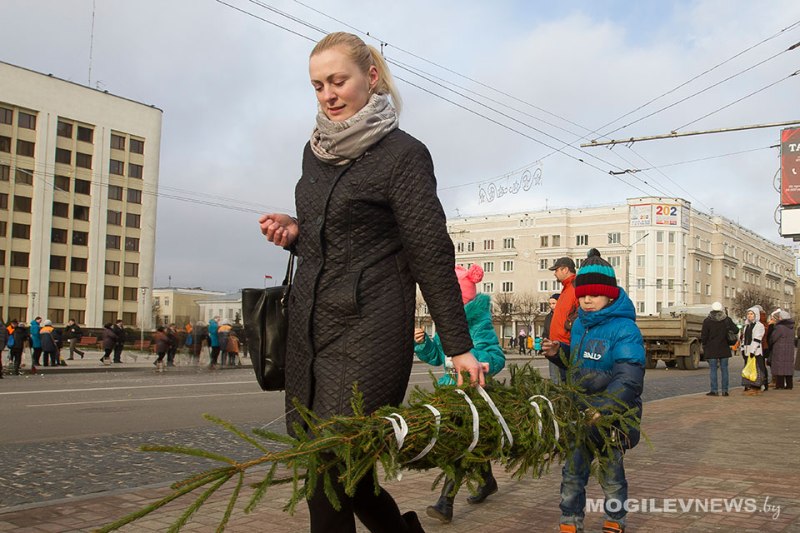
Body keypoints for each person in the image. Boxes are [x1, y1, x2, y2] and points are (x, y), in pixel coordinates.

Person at [258, 31, 483, 533]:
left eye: (338, 81)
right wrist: (295, 233)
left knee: (329, 467)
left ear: (371, 78)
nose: (328, 95)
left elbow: (430, 251)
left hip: (369, 332)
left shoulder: (403, 155)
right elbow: (329, 236)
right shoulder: (313, 152)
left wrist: (458, 346)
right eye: (317, 86)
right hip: (310, 331)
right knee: (343, 472)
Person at [543, 249, 644, 533]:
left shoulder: (625, 329)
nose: (587, 300)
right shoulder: (579, 325)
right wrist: (557, 352)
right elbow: (575, 365)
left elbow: (629, 378)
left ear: (610, 295)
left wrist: (604, 409)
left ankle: (615, 520)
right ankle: (569, 522)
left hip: (610, 418)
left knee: (612, 476)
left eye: (594, 295)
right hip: (580, 415)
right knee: (573, 473)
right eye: (583, 295)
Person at [413, 265, 505, 524]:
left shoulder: (478, 325)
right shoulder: (446, 325)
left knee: (459, 446)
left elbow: (496, 356)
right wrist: (422, 343)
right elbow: (436, 358)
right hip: (448, 393)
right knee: (467, 443)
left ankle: (445, 502)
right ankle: (487, 481)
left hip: (472, 394)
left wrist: (480, 361)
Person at [543, 257, 578, 375]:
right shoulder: (566, 288)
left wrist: (569, 324)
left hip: (567, 347)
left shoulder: (574, 287)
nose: (554, 273)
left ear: (565, 270)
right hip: (558, 347)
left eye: (556, 270)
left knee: (567, 383)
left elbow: (581, 311)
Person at [700, 302, 738, 397]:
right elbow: (736, 330)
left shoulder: (707, 321)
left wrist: (704, 345)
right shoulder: (727, 320)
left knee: (713, 370)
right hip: (724, 348)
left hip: (712, 348)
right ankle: (725, 390)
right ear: (721, 309)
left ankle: (714, 390)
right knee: (724, 369)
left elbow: (704, 336)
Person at [740, 306, 767, 395]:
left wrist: (752, 350)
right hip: (747, 350)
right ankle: (749, 385)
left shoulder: (759, 325)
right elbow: (744, 338)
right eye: (748, 314)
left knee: (757, 368)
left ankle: (757, 386)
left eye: (751, 314)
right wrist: (743, 348)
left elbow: (757, 339)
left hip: (756, 351)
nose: (749, 316)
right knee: (748, 368)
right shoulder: (747, 326)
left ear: (756, 315)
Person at [768, 309, 795, 390]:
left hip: (779, 349)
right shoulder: (791, 327)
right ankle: (789, 384)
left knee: (779, 366)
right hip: (789, 350)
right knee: (788, 366)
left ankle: (780, 385)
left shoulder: (779, 327)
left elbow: (773, 338)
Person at [542, 293, 561, 383]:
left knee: (563, 374)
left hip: (561, 346)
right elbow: (545, 331)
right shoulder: (548, 317)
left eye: (554, 303)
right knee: (553, 373)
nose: (551, 306)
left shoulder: (563, 315)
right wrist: (545, 339)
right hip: (551, 347)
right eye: (550, 304)